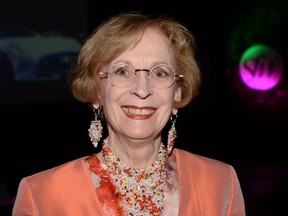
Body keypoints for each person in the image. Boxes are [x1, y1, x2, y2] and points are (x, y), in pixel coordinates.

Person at [12, 12, 246, 216]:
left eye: (160, 73)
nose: (142, 89)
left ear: (177, 94)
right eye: (122, 71)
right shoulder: (41, 195)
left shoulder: (221, 183)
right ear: (96, 91)